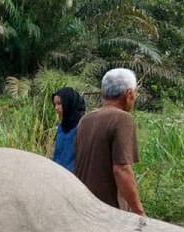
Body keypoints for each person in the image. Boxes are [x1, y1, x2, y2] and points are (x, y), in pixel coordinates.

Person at [75, 68, 145, 215]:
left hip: (83, 204)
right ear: (129, 94)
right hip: (109, 210)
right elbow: (121, 169)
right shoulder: (122, 119)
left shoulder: (85, 119)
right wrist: (139, 212)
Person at [51, 87, 85, 172]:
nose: (56, 108)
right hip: (58, 173)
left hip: (74, 177)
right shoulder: (61, 127)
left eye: (59, 104)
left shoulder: (82, 125)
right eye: (55, 104)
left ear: (69, 103)